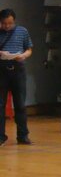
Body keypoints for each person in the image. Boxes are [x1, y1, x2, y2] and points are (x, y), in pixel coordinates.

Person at [0, 8, 33, 146]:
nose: (7, 26)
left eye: (10, 23)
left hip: (18, 68)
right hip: (2, 69)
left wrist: (23, 55)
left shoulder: (22, 31)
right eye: (4, 23)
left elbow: (29, 49)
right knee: (0, 104)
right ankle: (1, 136)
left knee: (20, 103)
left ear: (14, 21)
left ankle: (23, 135)